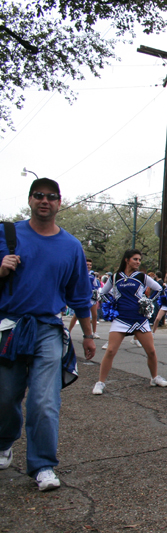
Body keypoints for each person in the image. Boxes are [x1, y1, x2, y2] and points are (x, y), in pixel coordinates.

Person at [0, 178, 96, 491]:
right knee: (5, 396)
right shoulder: (7, 234)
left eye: (51, 197)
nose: (45, 201)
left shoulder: (71, 246)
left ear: (59, 202)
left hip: (48, 329)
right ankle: (4, 442)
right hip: (11, 327)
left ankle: (43, 465)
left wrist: (89, 335)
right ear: (29, 199)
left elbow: (80, 295)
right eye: (39, 195)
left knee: (43, 400)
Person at [90, 249, 167, 395]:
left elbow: (159, 289)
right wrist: (111, 303)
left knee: (151, 351)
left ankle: (154, 377)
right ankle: (100, 382)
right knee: (111, 350)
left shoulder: (141, 276)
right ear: (127, 260)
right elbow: (103, 293)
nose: (138, 262)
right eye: (135, 259)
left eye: (139, 259)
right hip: (121, 318)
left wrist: (147, 302)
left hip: (139, 318)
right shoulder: (115, 277)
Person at [68, 258, 101, 338]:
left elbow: (95, 286)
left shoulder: (92, 276)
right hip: (83, 297)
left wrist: (96, 293)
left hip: (91, 297)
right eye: (87, 265)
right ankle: (68, 331)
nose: (89, 266)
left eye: (90, 265)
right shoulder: (79, 274)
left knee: (94, 315)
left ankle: (94, 332)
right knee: (76, 315)